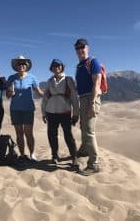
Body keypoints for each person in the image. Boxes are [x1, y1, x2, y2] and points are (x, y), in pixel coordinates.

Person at [41, 59, 80, 169]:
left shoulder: (68, 80)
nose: (56, 67)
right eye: (54, 66)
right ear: (51, 68)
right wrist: (43, 113)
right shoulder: (49, 81)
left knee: (68, 135)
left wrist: (76, 113)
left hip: (65, 111)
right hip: (51, 111)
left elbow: (74, 97)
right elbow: (45, 98)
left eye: (58, 65)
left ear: (62, 67)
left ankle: (74, 157)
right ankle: (54, 155)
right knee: (52, 134)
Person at [6, 55, 44, 163]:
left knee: (29, 133)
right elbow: (8, 96)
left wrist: (50, 95)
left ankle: (32, 154)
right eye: (19, 64)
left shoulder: (32, 77)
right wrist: (10, 92)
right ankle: (22, 154)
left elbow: (39, 92)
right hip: (15, 109)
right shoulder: (11, 78)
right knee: (19, 134)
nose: (21, 65)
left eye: (23, 63)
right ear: (16, 66)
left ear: (26, 66)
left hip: (28, 109)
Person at [75, 38, 102, 175]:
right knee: (83, 127)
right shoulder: (80, 66)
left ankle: (94, 164)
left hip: (92, 99)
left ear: (87, 48)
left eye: (82, 47)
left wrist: (92, 103)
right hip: (82, 99)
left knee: (89, 131)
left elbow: (97, 83)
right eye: (77, 48)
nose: (80, 50)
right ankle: (84, 149)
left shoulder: (93, 62)